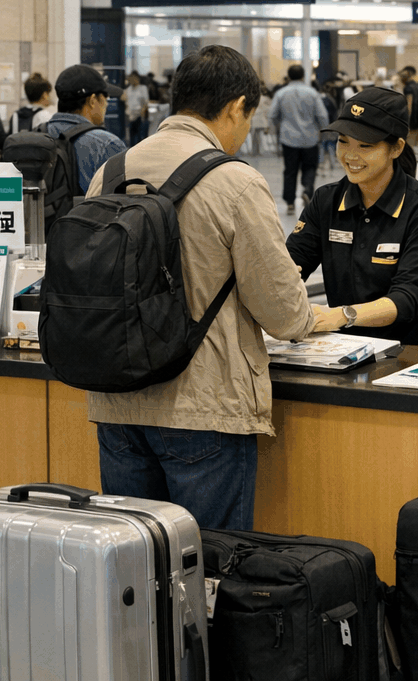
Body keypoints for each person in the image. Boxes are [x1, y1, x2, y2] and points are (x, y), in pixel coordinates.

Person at [85, 46, 340, 531]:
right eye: (249, 116)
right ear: (235, 106)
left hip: (116, 403)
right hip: (204, 410)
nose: (246, 130)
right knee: (209, 567)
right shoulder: (234, 182)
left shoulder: (110, 172)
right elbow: (286, 314)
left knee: (135, 566)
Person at [286, 86, 418, 347]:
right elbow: (291, 266)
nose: (350, 155)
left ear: (396, 148)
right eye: (343, 141)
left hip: (416, 348)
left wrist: (342, 315)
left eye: (365, 146)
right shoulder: (326, 201)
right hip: (349, 346)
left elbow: (408, 297)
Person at [46, 65, 126, 194]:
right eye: (106, 98)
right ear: (93, 100)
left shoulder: (37, 134)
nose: (106, 104)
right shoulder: (107, 144)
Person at [268, 64, 330, 214]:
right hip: (310, 139)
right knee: (310, 167)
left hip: (288, 139)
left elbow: (272, 115)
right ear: (303, 76)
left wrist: (275, 128)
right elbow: (322, 115)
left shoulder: (281, 93)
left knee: (290, 170)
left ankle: (290, 203)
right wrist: (324, 131)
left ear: (288, 77)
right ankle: (307, 191)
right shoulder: (312, 93)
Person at [124, 71, 150, 146]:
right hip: (130, 116)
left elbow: (145, 102)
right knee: (131, 137)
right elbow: (125, 99)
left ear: (137, 78)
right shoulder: (128, 89)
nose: (130, 80)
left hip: (139, 115)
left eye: (132, 78)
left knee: (140, 138)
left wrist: (143, 115)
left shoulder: (142, 88)